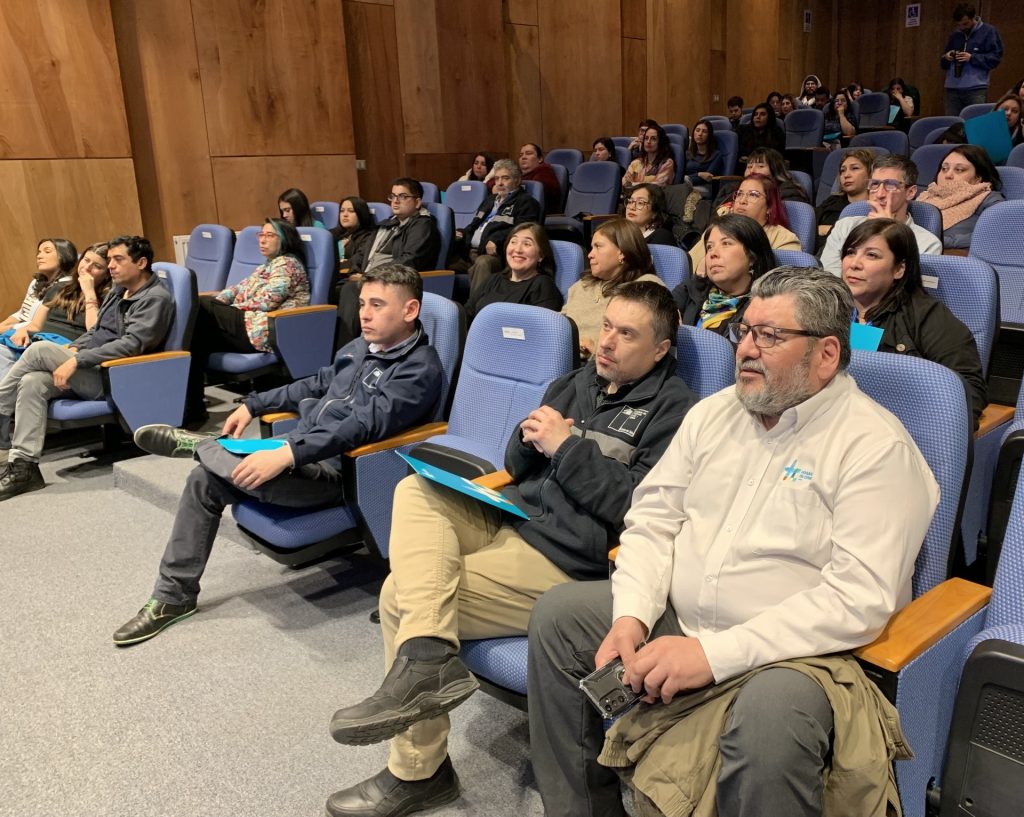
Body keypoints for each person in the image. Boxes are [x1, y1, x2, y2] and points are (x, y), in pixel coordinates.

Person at [527, 265, 940, 817]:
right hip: (683, 617)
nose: (745, 349)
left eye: (770, 336)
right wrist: (631, 616)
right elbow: (652, 520)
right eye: (745, 331)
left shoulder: (874, 446)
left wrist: (712, 655)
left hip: (797, 655)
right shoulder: (714, 413)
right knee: (559, 617)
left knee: (771, 720)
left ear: (826, 355)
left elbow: (858, 598)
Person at [325, 280, 698, 817]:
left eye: (626, 334)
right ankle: (428, 661)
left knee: (399, 598)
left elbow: (636, 507)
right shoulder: (576, 381)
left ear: (660, 349)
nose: (607, 342)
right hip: (515, 516)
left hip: (570, 559)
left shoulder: (675, 412)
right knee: (416, 490)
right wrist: (527, 440)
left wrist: (565, 447)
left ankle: (419, 770)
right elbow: (515, 466)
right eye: (606, 327)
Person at [113, 264, 444, 646]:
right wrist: (253, 404)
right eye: (362, 303)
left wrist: (289, 452)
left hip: (341, 474)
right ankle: (174, 597)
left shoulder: (418, 370)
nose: (364, 314)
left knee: (208, 470)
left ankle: (202, 446)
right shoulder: (360, 347)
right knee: (203, 480)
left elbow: (360, 427)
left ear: (409, 310)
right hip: (299, 450)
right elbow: (316, 383)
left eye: (377, 305)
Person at [0, 236, 174, 500]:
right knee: (32, 382)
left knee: (39, 349)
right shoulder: (119, 290)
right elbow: (96, 332)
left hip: (118, 376)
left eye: (118, 260)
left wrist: (77, 360)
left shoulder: (155, 298)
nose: (111, 266)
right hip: (93, 369)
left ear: (141, 263)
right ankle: (25, 468)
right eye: (110, 260)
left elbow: (132, 345)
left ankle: (1, 404)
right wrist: (74, 349)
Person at [842, 218, 986, 426]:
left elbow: (968, 390)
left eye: (871, 255)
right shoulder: (829, 310)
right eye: (850, 252)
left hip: (898, 430)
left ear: (899, 269)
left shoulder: (928, 316)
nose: (854, 264)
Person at [185, 217, 309, 422]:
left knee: (201, 307)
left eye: (270, 235)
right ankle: (193, 406)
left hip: (265, 329)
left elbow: (268, 300)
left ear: (284, 239)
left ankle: (192, 408)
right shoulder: (267, 265)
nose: (262, 240)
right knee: (197, 337)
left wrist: (224, 308)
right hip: (247, 323)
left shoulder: (288, 264)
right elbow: (238, 288)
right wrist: (220, 301)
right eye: (261, 235)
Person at [336, 178, 442, 347]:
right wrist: (355, 270)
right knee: (334, 289)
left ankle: (348, 351)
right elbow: (362, 254)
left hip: (394, 282)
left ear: (417, 202)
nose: (395, 201)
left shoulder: (422, 225)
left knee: (350, 290)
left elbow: (409, 260)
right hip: (370, 279)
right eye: (393, 196)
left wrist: (367, 277)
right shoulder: (387, 224)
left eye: (402, 196)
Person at [0, 243, 111, 382]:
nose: (87, 267)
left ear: (107, 274)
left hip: (67, 349)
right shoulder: (60, 287)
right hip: (39, 341)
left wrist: (89, 292)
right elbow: (36, 325)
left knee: (34, 360)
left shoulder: (109, 297)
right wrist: (24, 330)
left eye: (97, 266)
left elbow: (94, 331)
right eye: (86, 260)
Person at [820, 155, 943, 274]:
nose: (879, 194)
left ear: (910, 192)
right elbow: (828, 277)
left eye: (890, 185)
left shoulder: (928, 244)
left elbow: (907, 284)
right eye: (874, 184)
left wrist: (889, 233)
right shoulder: (844, 226)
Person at [562, 219, 666, 359]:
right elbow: (561, 323)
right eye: (592, 247)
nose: (590, 254)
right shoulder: (583, 284)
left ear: (622, 252)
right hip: (564, 358)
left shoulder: (646, 287)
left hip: (606, 367)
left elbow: (647, 343)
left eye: (598, 246)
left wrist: (595, 350)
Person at [672, 213, 775, 337]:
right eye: (709, 247)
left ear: (752, 257)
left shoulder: (762, 308)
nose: (713, 253)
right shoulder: (694, 287)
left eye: (726, 243)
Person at [454, 159, 541, 292]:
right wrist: (461, 233)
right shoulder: (489, 200)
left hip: (497, 256)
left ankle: (477, 305)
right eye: (497, 178)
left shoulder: (526, 203)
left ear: (517, 180)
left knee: (483, 263)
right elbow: (475, 225)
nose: (499, 183)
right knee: (442, 255)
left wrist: (497, 240)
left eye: (505, 178)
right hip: (470, 252)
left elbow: (523, 232)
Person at [693, 174, 799, 276]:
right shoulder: (716, 230)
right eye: (739, 194)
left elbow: (787, 282)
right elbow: (689, 266)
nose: (742, 201)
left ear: (769, 207)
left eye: (753, 194)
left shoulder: (784, 239)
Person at [463, 222, 563, 322]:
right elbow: (466, 316)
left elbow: (540, 328)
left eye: (527, 244)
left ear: (541, 255)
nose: (517, 250)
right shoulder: (493, 279)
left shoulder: (543, 286)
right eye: (513, 242)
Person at [916, 145, 1005, 250]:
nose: (948, 175)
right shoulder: (925, 196)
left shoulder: (989, 199)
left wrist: (938, 241)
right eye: (944, 169)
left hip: (955, 256)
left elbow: (996, 234)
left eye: (959, 170)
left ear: (978, 178)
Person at [0, 238, 78, 338]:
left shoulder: (67, 286)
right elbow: (22, 314)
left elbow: (39, 324)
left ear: (65, 255)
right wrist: (2, 325)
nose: (39, 256)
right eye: (39, 252)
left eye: (47, 251)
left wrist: (7, 329)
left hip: (36, 336)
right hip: (17, 330)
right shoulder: (36, 282)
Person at [940, 3, 1003, 115]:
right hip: (952, 89)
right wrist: (947, 57)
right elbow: (943, 63)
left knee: (975, 123)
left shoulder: (988, 31)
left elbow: (995, 58)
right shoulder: (955, 35)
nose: (962, 28)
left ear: (974, 18)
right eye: (959, 25)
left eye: (965, 24)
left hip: (976, 89)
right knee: (952, 124)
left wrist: (972, 58)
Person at [815, 149, 874, 243]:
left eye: (855, 168)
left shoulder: (876, 207)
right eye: (842, 170)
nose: (846, 175)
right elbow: (808, 227)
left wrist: (829, 229)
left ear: (871, 174)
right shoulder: (831, 202)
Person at [330, 196, 376, 277]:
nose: (345, 215)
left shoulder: (368, 237)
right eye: (342, 211)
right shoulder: (332, 234)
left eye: (351, 211)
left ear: (361, 214)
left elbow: (356, 262)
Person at [622, 125, 675, 190]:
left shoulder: (667, 163)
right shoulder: (636, 162)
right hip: (632, 195)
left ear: (661, 142)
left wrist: (633, 184)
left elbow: (658, 185)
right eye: (646, 138)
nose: (648, 141)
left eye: (653, 139)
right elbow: (625, 183)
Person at [517, 143, 561, 216]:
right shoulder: (519, 175)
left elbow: (535, 199)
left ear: (540, 159)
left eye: (528, 153)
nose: (523, 157)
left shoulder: (545, 172)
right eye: (521, 155)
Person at [684, 119, 726, 194]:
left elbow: (707, 177)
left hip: (706, 187)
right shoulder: (687, 153)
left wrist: (689, 178)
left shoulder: (716, 155)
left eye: (704, 131)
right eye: (697, 130)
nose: (700, 134)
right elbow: (682, 174)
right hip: (686, 184)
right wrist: (699, 174)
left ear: (709, 135)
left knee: (682, 190)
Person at [736, 103, 785, 167]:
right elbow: (736, 153)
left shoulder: (777, 132)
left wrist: (753, 159)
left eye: (763, 114)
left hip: (769, 167)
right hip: (744, 167)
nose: (758, 117)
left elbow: (778, 156)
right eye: (755, 114)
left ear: (769, 117)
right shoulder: (742, 130)